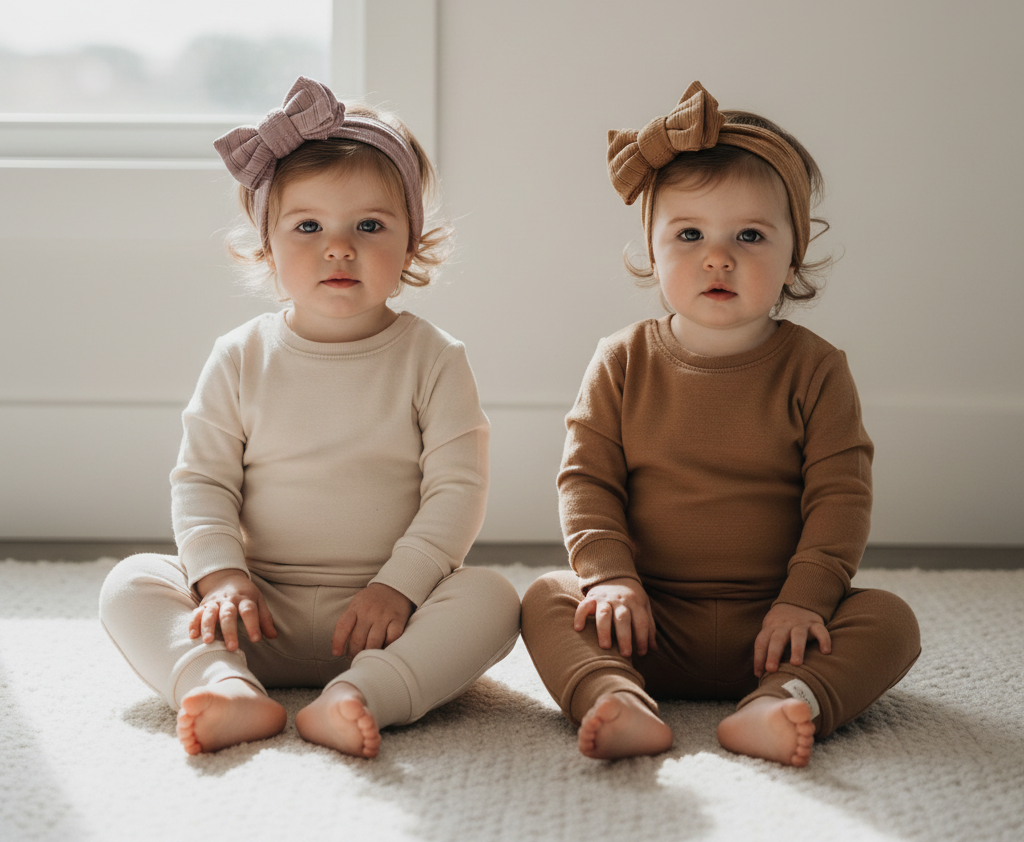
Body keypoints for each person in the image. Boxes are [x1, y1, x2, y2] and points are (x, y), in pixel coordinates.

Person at [100, 77, 521, 758]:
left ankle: (364, 695)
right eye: (308, 226)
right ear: (266, 244)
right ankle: (221, 684)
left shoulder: (433, 357)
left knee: (495, 599)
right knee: (131, 584)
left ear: (413, 244)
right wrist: (221, 576)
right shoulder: (240, 356)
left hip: (389, 616)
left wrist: (399, 588)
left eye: (371, 226)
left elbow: (457, 491)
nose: (338, 247)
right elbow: (202, 481)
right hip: (256, 611)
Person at [521, 82, 920, 765]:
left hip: (776, 627)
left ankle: (784, 702)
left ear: (795, 254)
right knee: (546, 598)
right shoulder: (622, 360)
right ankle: (614, 697)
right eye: (689, 234)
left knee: (890, 621)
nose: (718, 256)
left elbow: (840, 498)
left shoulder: (816, 369)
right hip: (649, 621)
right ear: (650, 247)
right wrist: (611, 577)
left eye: (751, 235)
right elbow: (586, 479)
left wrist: (806, 602)